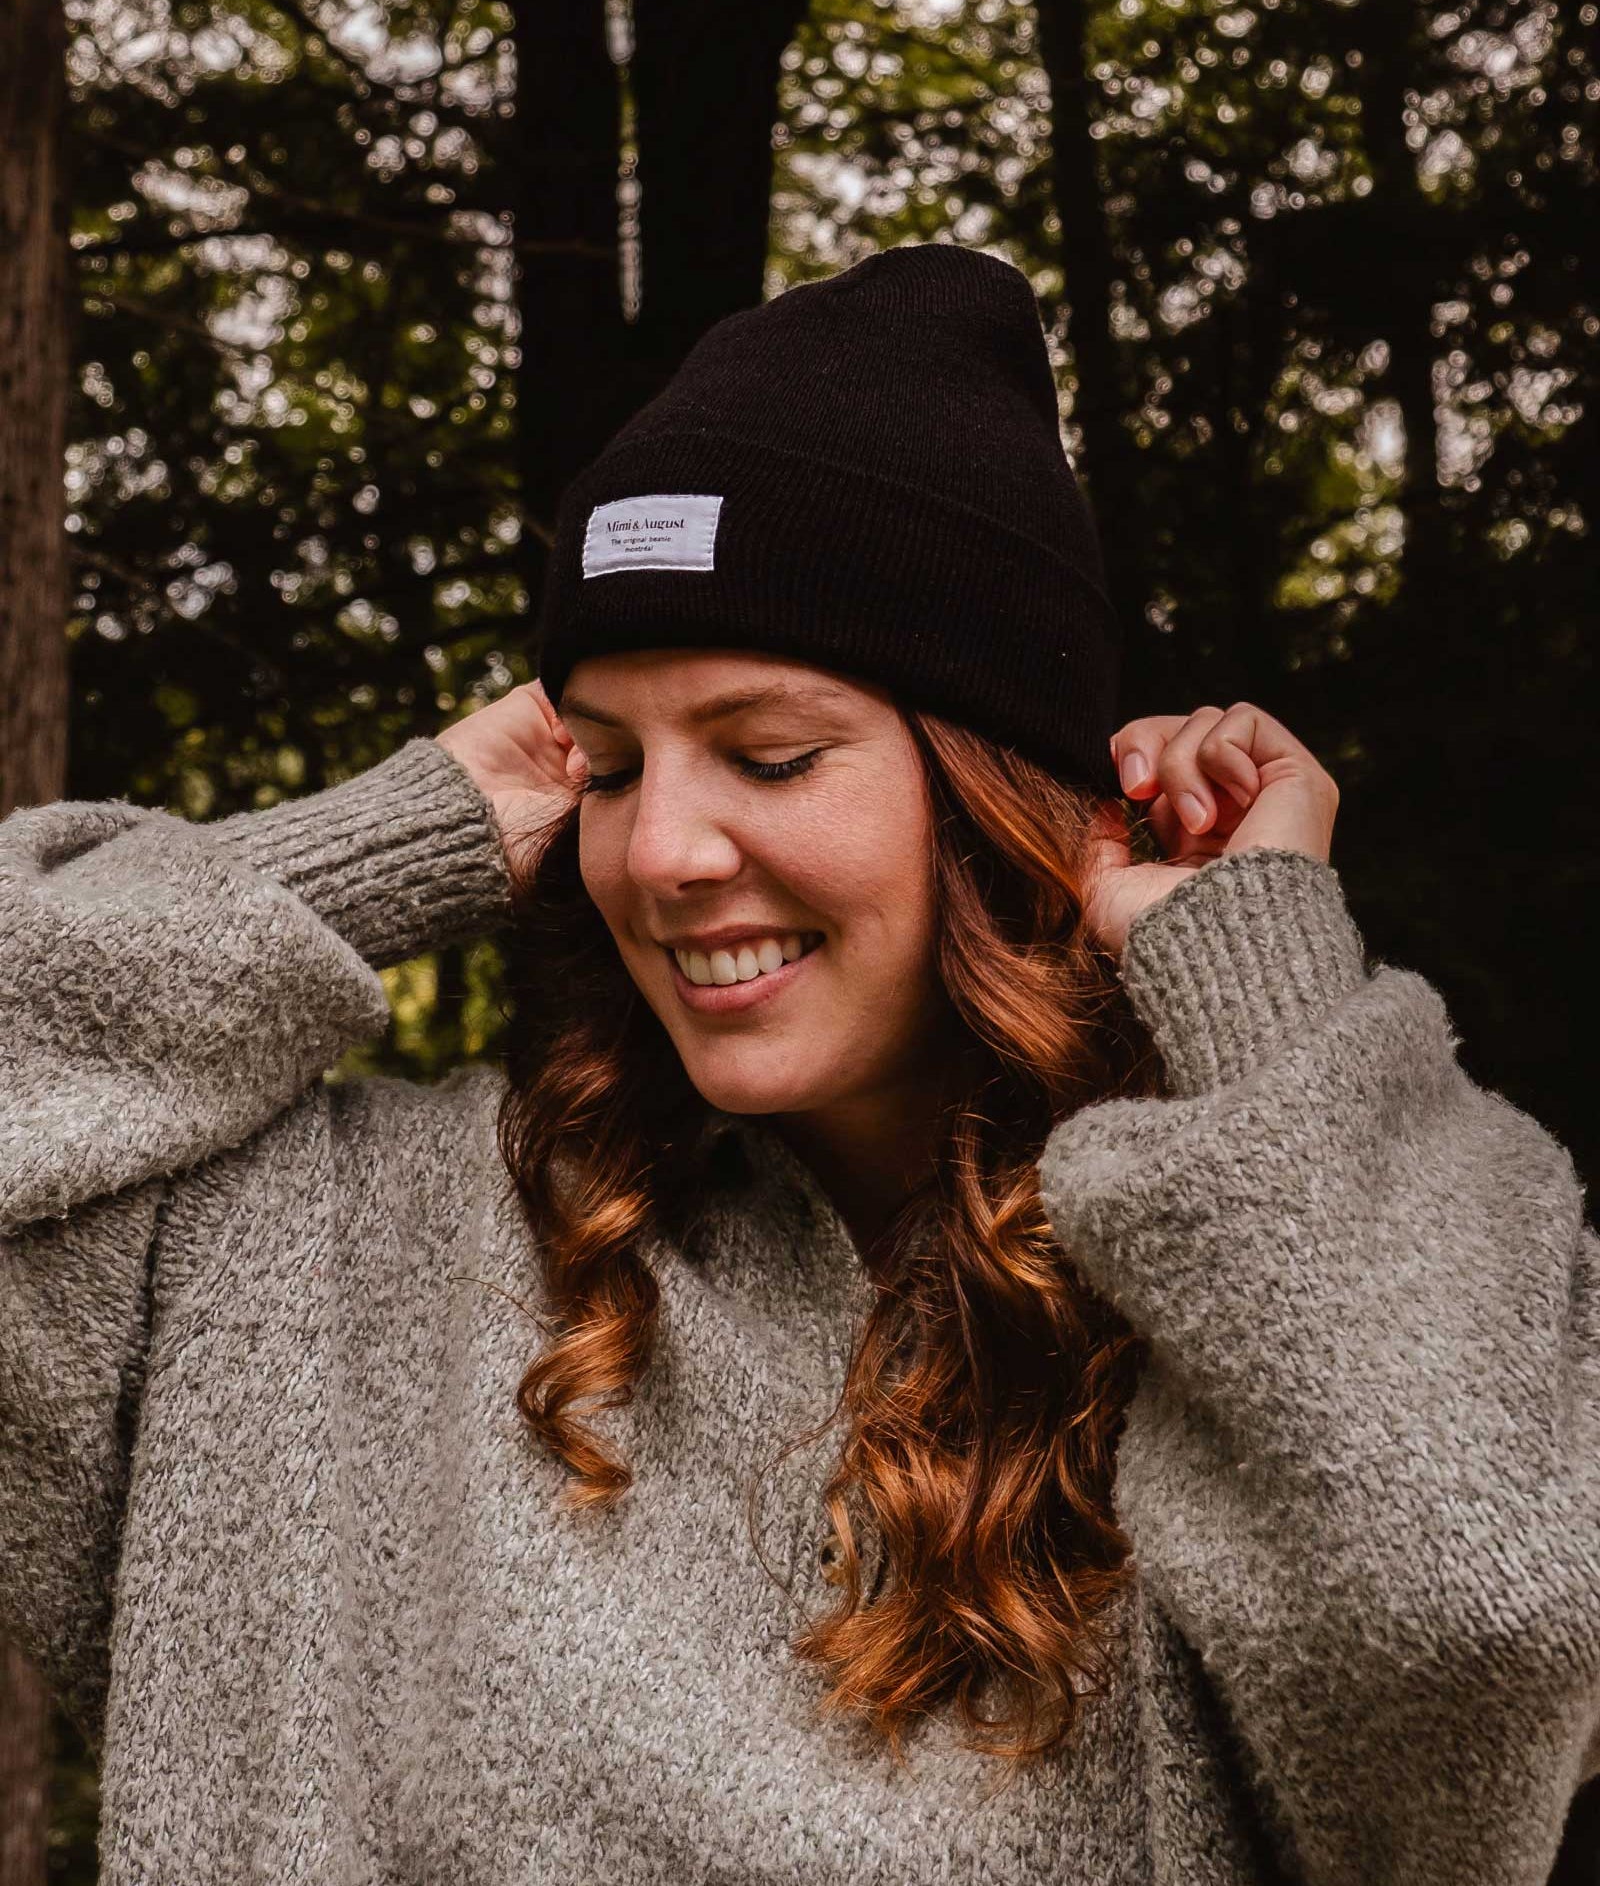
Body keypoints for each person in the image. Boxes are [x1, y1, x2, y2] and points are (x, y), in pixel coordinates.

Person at [2, 242, 1595, 1886]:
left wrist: (1255, 985)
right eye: (609, 767)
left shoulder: (1279, 1291)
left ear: (998, 792)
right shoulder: (336, 1253)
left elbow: (1471, 1618)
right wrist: (410, 828)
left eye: (769, 755)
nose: (663, 850)